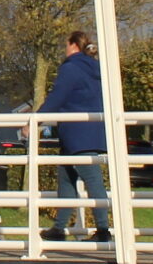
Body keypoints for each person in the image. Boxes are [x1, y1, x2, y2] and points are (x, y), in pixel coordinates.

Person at [40, 31, 111, 242]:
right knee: (66, 180)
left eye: (66, 45)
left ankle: (103, 230)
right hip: (92, 132)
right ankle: (59, 228)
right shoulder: (96, 68)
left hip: (77, 135)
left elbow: (57, 97)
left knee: (92, 180)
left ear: (73, 46)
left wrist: (35, 121)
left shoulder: (71, 68)